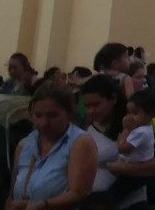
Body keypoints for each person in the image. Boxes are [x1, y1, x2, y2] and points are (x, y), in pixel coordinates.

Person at [6, 82, 98, 210]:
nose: (43, 123)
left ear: (69, 113)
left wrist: (44, 204)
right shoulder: (24, 145)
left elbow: (79, 193)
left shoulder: (80, 142)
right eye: (38, 115)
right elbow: (12, 193)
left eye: (52, 116)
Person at [82, 75, 155, 210]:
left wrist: (127, 168)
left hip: (129, 203)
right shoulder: (87, 126)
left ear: (113, 99)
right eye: (87, 106)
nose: (91, 110)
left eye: (96, 104)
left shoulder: (134, 124)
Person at [108, 90, 155, 202]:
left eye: (135, 113)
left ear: (150, 113)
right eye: (128, 112)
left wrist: (126, 129)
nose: (130, 117)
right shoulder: (146, 126)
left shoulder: (140, 132)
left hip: (133, 174)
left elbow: (122, 148)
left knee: (110, 197)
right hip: (139, 172)